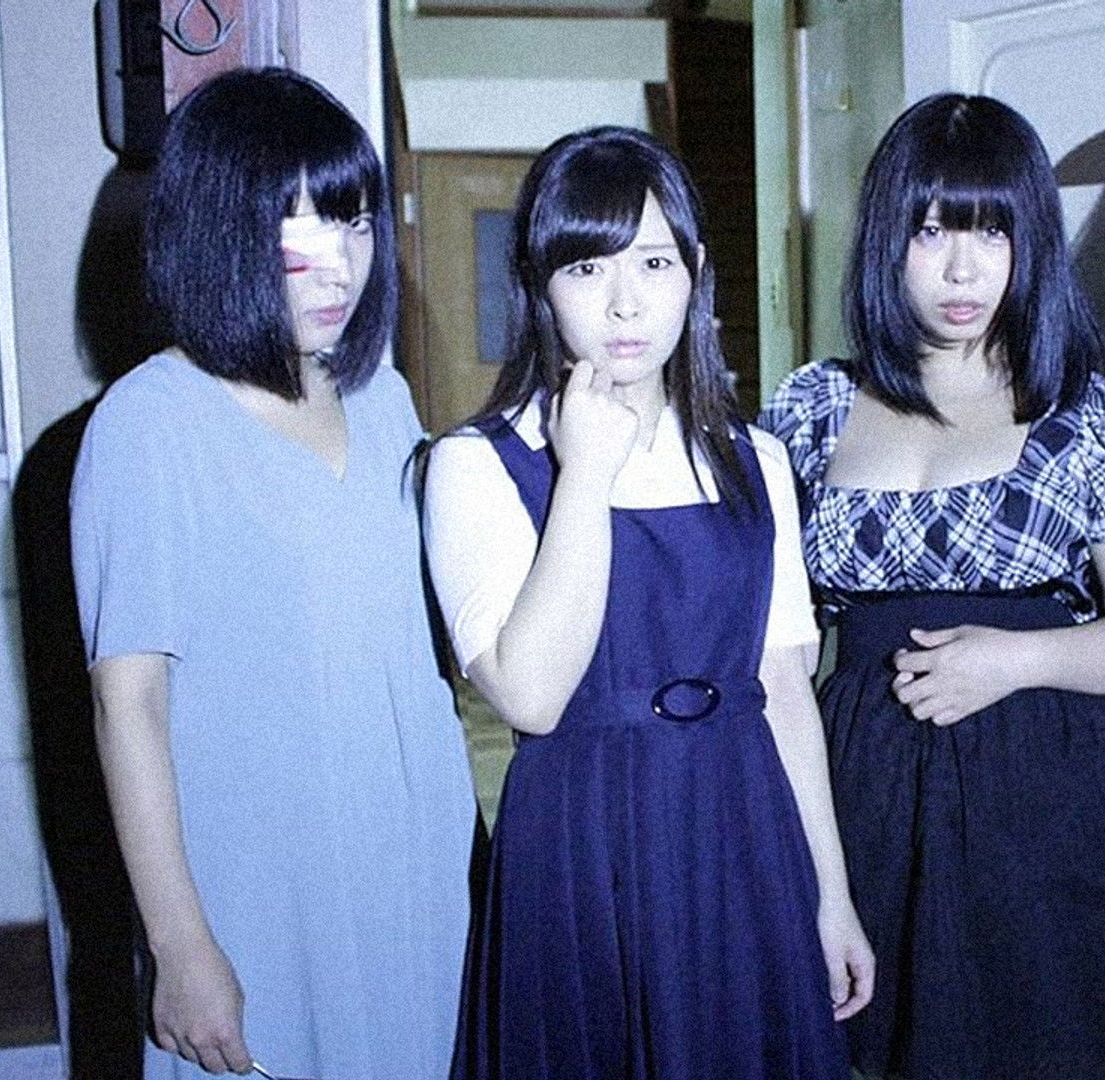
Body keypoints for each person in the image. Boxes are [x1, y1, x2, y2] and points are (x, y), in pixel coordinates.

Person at [759, 92, 1105, 1080]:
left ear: (1030, 243)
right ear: (886, 240)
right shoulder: (810, 408)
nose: (963, 270)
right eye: (931, 232)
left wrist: (1015, 661)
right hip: (868, 792)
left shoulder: (1092, 411)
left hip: (1048, 793)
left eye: (991, 232)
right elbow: (775, 650)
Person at [422, 125, 871, 1080]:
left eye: (655, 263)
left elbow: (786, 692)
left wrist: (830, 893)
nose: (626, 303)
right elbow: (531, 696)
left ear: (695, 274)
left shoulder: (757, 461)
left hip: (742, 829)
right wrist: (585, 475)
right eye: (587, 268)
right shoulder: (474, 464)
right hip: (581, 846)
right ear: (539, 284)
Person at [70, 68, 475, 1078]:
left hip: (411, 863)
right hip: (257, 888)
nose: (338, 267)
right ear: (220, 234)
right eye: (299, 231)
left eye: (354, 223)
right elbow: (129, 706)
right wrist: (179, 946)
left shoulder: (381, 398)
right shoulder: (148, 424)